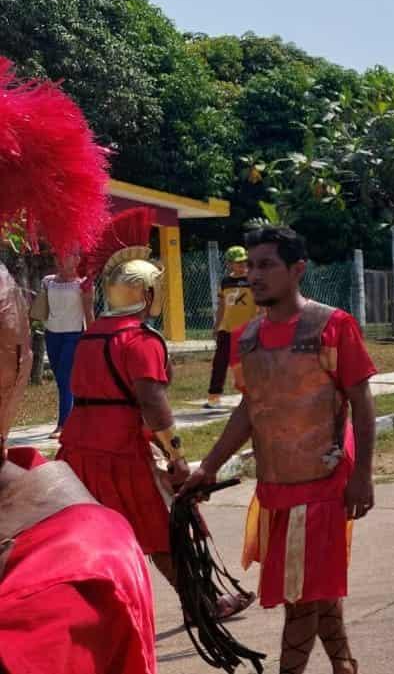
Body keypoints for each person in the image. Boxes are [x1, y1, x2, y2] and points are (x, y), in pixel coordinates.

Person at [0, 55, 159, 674]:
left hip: (100, 453)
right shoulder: (115, 339)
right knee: (158, 537)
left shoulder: (113, 337)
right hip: (99, 451)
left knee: (155, 540)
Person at [180, 225, 377, 674]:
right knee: (314, 588)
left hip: (323, 487)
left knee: (298, 596)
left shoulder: (332, 326)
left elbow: (362, 404)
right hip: (275, 488)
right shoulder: (247, 338)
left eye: (266, 264)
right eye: (251, 265)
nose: (254, 275)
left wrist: (363, 475)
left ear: (297, 269)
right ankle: (344, 666)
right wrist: (208, 468)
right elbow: (250, 410)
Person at [54, 207, 254, 620]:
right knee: (163, 527)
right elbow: (152, 402)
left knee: (89, 532)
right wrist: (176, 456)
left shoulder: (92, 335)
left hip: (78, 446)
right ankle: (202, 602)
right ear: (146, 293)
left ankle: (87, 613)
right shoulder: (139, 339)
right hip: (121, 450)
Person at [32, 249, 94, 435]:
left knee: (65, 379)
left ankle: (63, 425)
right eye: (58, 255)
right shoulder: (48, 281)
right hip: (52, 335)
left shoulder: (84, 283)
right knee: (61, 380)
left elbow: (89, 313)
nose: (60, 259)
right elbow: (41, 308)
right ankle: (80, 417)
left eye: (68, 254)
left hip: (74, 335)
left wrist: (93, 339)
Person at [207, 245, 255, 409]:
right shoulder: (226, 282)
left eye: (244, 262)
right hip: (226, 329)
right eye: (238, 262)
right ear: (229, 264)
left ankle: (248, 395)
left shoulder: (252, 280)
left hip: (248, 329)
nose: (243, 265)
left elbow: (261, 304)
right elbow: (222, 305)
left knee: (247, 363)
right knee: (219, 362)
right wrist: (216, 325)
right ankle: (214, 397)